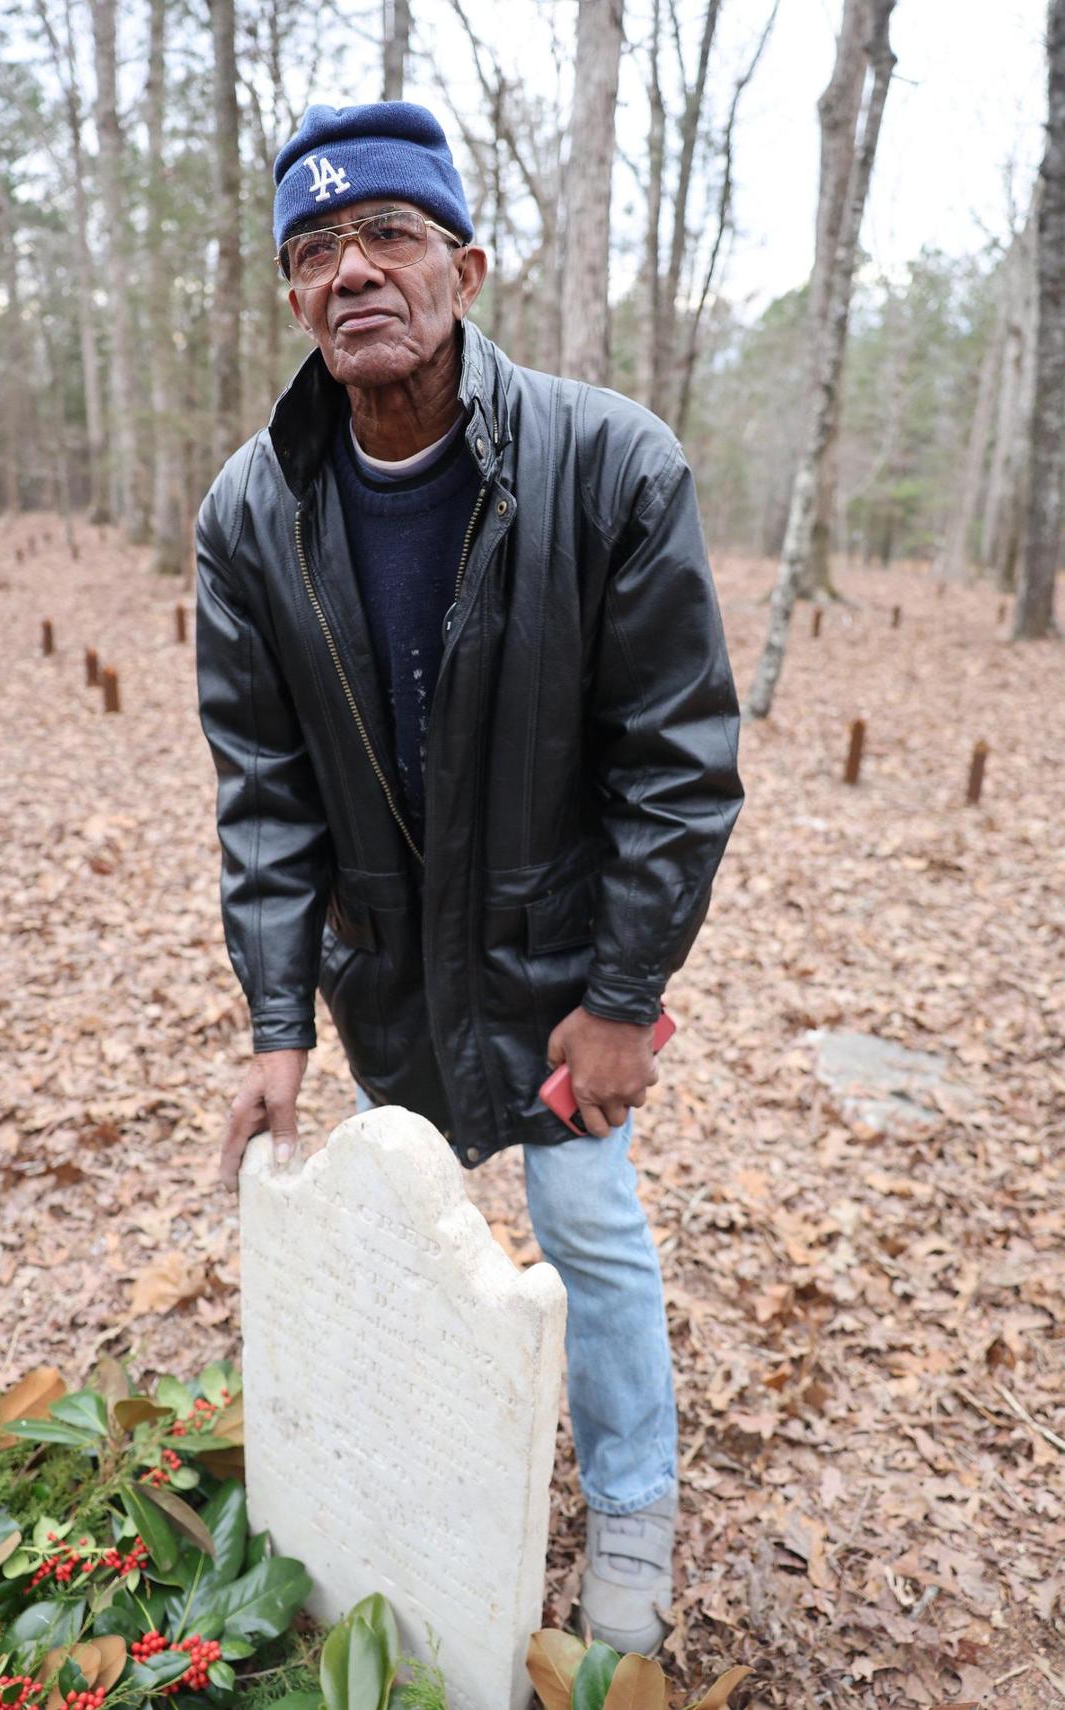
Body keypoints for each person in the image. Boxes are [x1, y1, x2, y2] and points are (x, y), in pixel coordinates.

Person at [195, 100, 743, 1656]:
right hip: (392, 971)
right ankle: (409, 1483)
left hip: (566, 961)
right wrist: (276, 1017)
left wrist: (625, 998)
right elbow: (266, 789)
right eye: (313, 249)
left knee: (590, 1228)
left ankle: (632, 1497)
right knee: (400, 1235)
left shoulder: (608, 465)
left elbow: (678, 760)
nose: (350, 271)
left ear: (466, 265)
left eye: (387, 234)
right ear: (293, 295)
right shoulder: (252, 514)